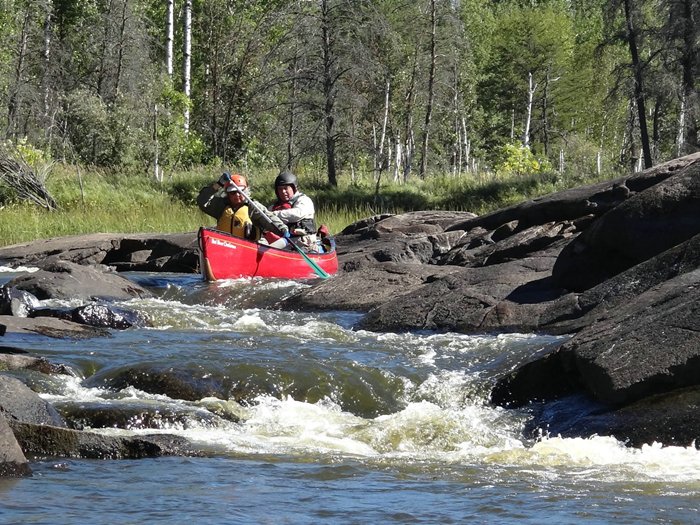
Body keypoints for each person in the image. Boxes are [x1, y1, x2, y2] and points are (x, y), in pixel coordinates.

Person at [197, 172, 288, 241]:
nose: (237, 195)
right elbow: (202, 201)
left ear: (246, 191)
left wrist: (282, 229)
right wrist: (219, 184)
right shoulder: (221, 206)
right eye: (233, 192)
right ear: (227, 194)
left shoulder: (252, 207)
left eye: (240, 192)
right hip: (225, 247)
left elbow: (269, 218)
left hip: (248, 249)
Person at [265, 170, 320, 252]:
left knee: (269, 250)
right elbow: (265, 218)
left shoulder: (304, 200)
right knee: (261, 246)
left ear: (294, 188)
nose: (283, 192)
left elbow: (297, 214)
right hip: (285, 240)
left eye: (285, 188)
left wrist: (273, 215)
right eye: (280, 189)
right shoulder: (274, 207)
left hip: (303, 240)